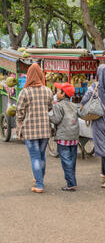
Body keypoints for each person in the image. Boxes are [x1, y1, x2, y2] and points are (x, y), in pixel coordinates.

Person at [16, 63, 54, 193]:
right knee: (42, 155)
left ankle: (39, 185)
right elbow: (50, 108)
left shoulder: (24, 92)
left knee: (35, 157)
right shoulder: (47, 90)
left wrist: (20, 124)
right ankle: (40, 178)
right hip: (44, 129)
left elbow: (19, 111)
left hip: (30, 130)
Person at [49, 82, 80, 192]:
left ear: (63, 94)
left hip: (63, 137)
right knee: (72, 160)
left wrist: (48, 115)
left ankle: (71, 183)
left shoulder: (58, 105)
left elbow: (56, 119)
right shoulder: (74, 105)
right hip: (74, 137)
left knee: (66, 160)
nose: (56, 92)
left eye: (58, 90)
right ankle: (71, 181)